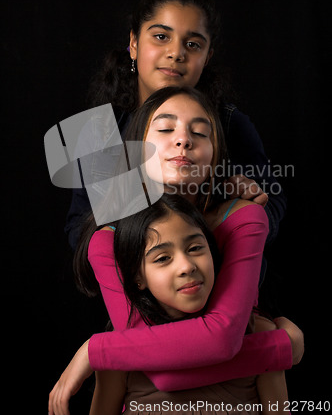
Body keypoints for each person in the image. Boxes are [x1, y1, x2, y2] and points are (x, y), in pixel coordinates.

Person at [48, 87, 303, 415]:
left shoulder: (244, 218)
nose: (183, 140)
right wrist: (280, 348)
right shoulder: (108, 240)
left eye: (199, 132)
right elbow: (163, 374)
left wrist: (96, 351)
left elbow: (222, 339)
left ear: (215, 155)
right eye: (166, 129)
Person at [64, 0, 286, 254]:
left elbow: (273, 203)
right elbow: (78, 229)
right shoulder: (98, 130)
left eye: (193, 44)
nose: (176, 53)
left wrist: (240, 205)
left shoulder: (230, 124)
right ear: (133, 44)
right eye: (161, 37)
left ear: (206, 58)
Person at [88, 194, 288, 415]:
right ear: (138, 277)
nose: (186, 266)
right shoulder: (120, 347)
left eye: (195, 248)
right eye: (163, 258)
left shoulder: (258, 332)